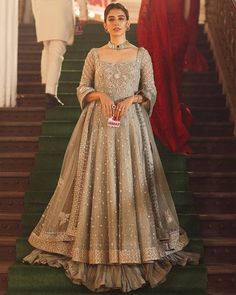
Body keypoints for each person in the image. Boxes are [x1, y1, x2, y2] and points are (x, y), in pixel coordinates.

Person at [23, 3, 199, 292]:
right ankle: (93, 248)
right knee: (99, 182)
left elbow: (151, 89)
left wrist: (133, 100)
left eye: (121, 19)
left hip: (131, 128)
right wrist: (97, 95)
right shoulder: (94, 54)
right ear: (105, 25)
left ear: (128, 23)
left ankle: (132, 246)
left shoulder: (141, 54)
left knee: (130, 182)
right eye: (111, 19)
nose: (116, 23)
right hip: (99, 127)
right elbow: (81, 86)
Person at [137, 0, 207, 154]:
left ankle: (170, 124)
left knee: (171, 82)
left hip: (175, 32)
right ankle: (161, 123)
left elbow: (192, 6)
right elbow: (146, 9)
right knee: (159, 80)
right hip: (156, 31)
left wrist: (190, 40)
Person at [31, 0, 75, 107]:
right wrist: (83, 14)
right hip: (61, 15)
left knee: (47, 50)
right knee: (56, 54)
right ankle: (50, 93)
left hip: (43, 14)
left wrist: (38, 14)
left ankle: (45, 85)